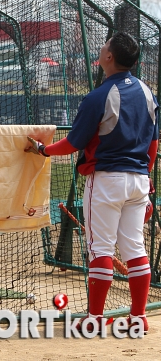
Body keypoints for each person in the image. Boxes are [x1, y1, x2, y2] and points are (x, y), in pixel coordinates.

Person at [25, 32, 158, 334]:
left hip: (107, 180)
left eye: (105, 46)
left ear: (109, 57)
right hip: (139, 181)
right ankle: (138, 317)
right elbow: (153, 142)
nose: (101, 49)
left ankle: (94, 319)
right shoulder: (148, 93)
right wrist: (147, 178)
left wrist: (43, 150)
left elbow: (74, 142)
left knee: (100, 249)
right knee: (135, 248)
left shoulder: (99, 96)